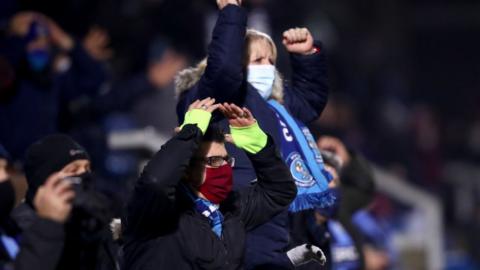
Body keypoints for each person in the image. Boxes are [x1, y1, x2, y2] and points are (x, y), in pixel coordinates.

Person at [175, 1, 329, 268]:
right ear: (236, 59)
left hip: (274, 221)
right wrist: (231, 14)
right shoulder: (214, 95)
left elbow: (310, 103)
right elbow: (223, 71)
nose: (267, 67)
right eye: (258, 60)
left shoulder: (274, 104)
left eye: (271, 61)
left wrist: (305, 57)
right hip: (234, 217)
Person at [122, 98, 297, 269]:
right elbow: (155, 182)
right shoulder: (157, 211)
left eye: (227, 159)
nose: (224, 167)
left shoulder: (230, 211)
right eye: (214, 161)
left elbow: (279, 191)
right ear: (186, 168)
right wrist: (190, 133)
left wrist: (258, 145)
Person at [0, 11, 107, 162]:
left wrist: (66, 41)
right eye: (31, 40)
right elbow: (6, 61)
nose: (37, 45)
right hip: (13, 167)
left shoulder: (53, 80)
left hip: (47, 168)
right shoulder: (11, 78)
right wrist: (18, 37)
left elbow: (94, 79)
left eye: (42, 39)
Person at [11, 135, 119, 270]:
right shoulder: (19, 229)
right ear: (45, 182)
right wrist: (50, 224)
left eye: (87, 168)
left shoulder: (93, 218)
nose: (85, 176)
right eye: (73, 171)